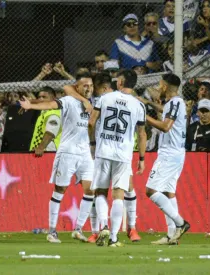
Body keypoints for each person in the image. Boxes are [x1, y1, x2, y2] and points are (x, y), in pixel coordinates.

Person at [19, 73, 96, 244]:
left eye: (90, 85)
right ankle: (52, 231)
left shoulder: (93, 103)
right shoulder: (69, 101)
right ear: (78, 87)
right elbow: (51, 104)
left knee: (90, 190)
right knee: (60, 190)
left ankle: (78, 229)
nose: (88, 88)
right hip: (67, 152)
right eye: (85, 85)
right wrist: (30, 105)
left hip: (84, 154)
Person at [88, 70, 147, 247]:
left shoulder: (105, 98)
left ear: (120, 82)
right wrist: (142, 158)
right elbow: (142, 134)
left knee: (100, 191)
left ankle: (103, 226)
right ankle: (114, 237)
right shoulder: (139, 106)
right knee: (119, 195)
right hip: (123, 154)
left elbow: (91, 122)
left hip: (103, 151)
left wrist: (92, 143)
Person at [144, 73, 191, 245]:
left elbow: (165, 127)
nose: (158, 88)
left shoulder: (176, 102)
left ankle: (180, 223)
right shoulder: (175, 103)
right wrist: (148, 103)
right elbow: (166, 113)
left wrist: (143, 116)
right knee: (167, 192)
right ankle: (172, 236)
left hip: (170, 153)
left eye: (159, 84)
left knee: (150, 190)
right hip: (175, 152)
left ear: (164, 86)